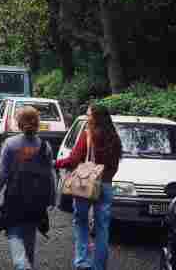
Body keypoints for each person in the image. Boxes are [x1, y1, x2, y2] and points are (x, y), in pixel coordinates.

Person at [55, 104, 122, 270]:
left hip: (85, 185)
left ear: (96, 117)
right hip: (105, 185)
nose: (86, 117)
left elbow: (73, 160)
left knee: (81, 223)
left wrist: (56, 163)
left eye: (88, 114)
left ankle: (82, 262)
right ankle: (99, 266)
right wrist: (105, 178)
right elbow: (114, 165)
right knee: (102, 228)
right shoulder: (114, 138)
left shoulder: (88, 135)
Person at [0, 106, 56, 270]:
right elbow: (50, 175)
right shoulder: (45, 147)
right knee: (29, 241)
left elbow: (3, 173)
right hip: (36, 202)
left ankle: (22, 266)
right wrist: (52, 198)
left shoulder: (11, 144)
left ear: (19, 123)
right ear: (37, 124)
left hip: (15, 199)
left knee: (15, 238)